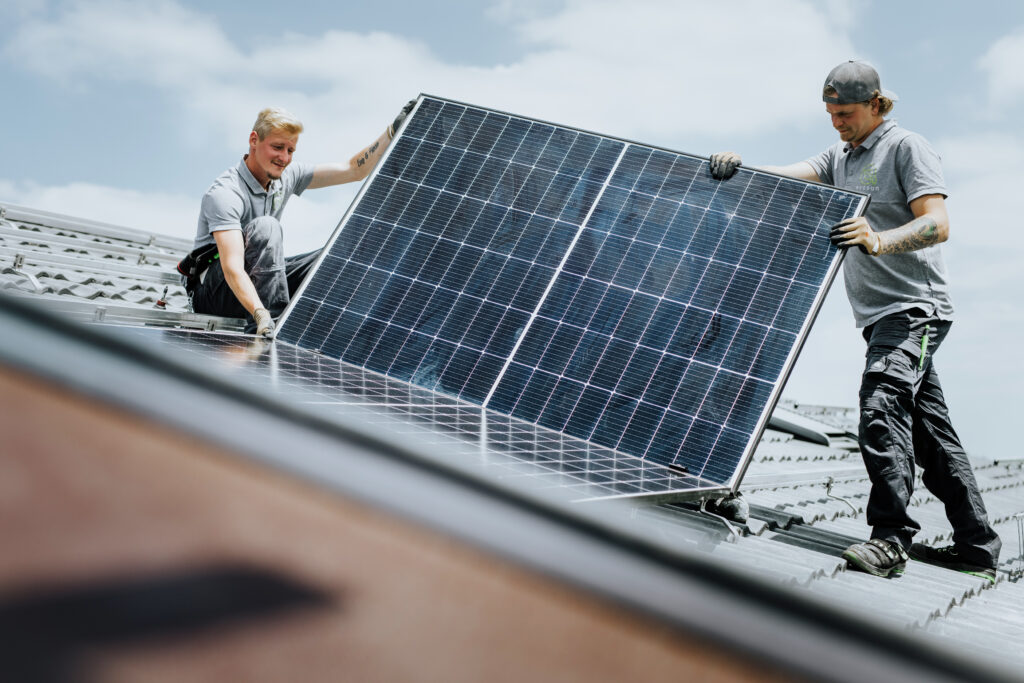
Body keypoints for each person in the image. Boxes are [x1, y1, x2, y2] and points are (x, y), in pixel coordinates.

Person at [710, 61, 1001, 582]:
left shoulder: (907, 147)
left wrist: (880, 240)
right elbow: (791, 175)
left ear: (876, 105)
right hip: (880, 316)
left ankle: (890, 540)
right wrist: (739, 166)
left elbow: (938, 222)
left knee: (881, 401)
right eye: (829, 113)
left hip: (916, 309)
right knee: (930, 434)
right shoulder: (841, 156)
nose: (836, 122)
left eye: (844, 113)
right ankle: (977, 547)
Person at [185, 101, 415, 337]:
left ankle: (320, 329)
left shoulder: (286, 176)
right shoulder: (226, 193)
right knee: (267, 227)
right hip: (216, 292)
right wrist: (262, 314)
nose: (284, 157)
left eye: (290, 150)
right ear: (254, 140)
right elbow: (233, 268)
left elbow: (352, 169)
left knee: (329, 257)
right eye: (277, 147)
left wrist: (392, 131)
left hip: (258, 283)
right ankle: (268, 330)